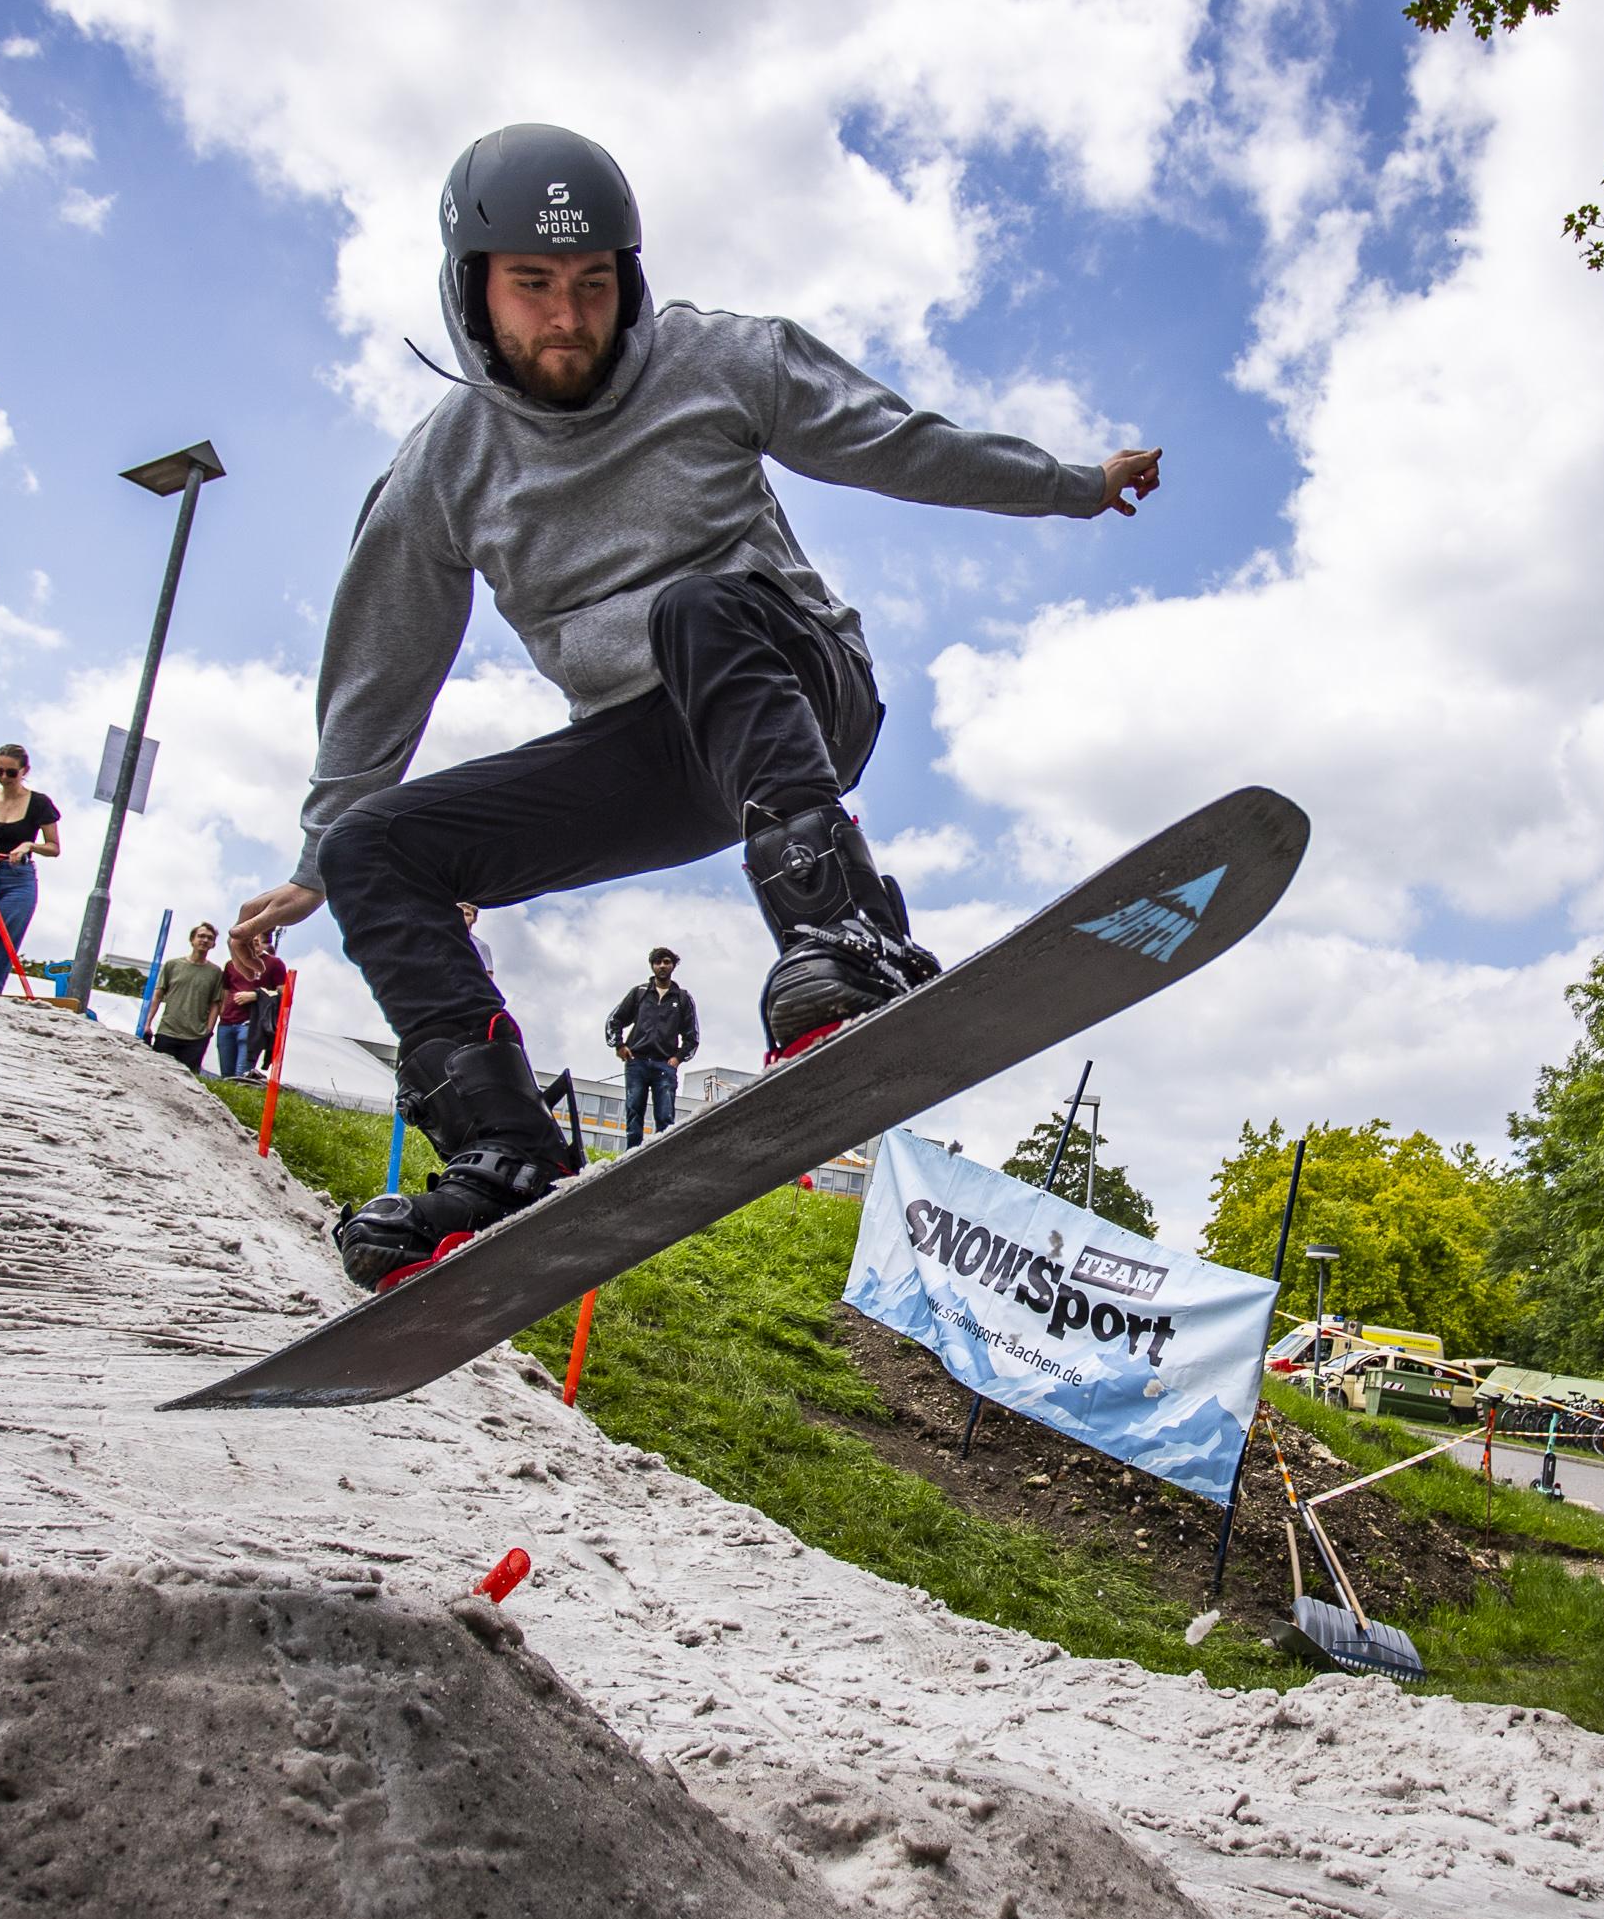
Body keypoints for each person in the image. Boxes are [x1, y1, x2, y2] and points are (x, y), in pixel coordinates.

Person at [233, 123, 1160, 1286]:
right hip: (649, 756)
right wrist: (320, 852)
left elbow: (904, 445)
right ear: (473, 292)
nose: (569, 318)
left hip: (799, 687)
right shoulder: (443, 469)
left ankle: (842, 933)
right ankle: (505, 1148)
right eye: (534, 287)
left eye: (592, 284)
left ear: (628, 278)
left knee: (696, 610)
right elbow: (384, 668)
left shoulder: (719, 359)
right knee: (375, 848)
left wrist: (1075, 485)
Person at [0, 746, 61, 965]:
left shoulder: (39, 803)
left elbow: (53, 847)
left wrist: (29, 846)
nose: (4, 777)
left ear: (25, 771)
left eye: (11, 773)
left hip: (18, 879)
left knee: (0, 945)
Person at [606, 946, 698, 1149]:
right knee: (634, 1112)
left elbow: (692, 1037)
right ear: (652, 966)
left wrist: (678, 1058)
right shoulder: (640, 993)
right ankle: (631, 1155)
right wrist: (619, 1045)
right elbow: (615, 1020)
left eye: (666, 962)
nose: (662, 966)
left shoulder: (682, 998)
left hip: (664, 1064)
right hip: (636, 1061)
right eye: (658, 962)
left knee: (665, 1117)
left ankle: (663, 1156)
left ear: (673, 965)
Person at [147, 921, 225, 1070]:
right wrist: (147, 1023)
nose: (205, 940)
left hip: (196, 1037)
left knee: (188, 1077)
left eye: (210, 938)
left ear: (213, 944)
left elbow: (215, 1003)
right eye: (201, 936)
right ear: (192, 939)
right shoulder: (172, 965)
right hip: (167, 1031)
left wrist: (208, 1031)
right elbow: (157, 996)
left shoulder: (216, 972)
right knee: (158, 1073)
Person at [216, 927, 289, 1079]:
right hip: (226, 1024)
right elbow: (225, 992)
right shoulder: (231, 964)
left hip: (252, 1025)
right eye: (252, 935)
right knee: (225, 1075)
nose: (255, 939)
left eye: (259, 936)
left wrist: (256, 995)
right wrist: (221, 1014)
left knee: (241, 1076)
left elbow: (285, 995)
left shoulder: (274, 964)